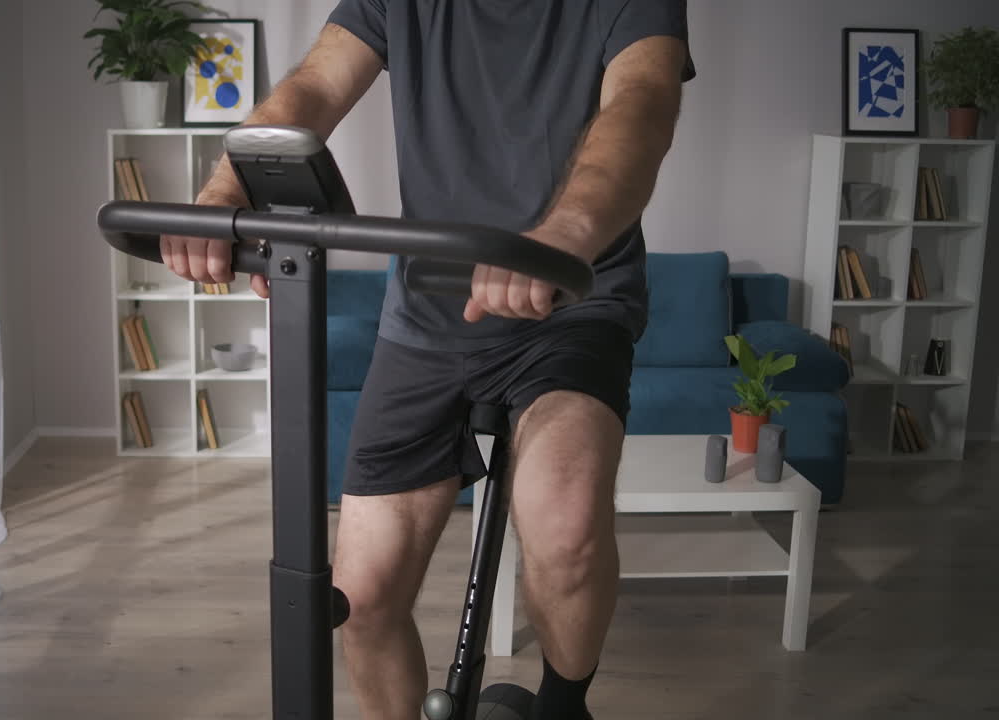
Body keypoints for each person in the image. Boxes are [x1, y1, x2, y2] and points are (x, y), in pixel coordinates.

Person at [161, 2, 696, 718]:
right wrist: (232, 184)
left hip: (569, 296)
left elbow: (644, 101)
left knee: (565, 525)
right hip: (429, 308)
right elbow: (315, 86)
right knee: (364, 593)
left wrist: (566, 232)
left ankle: (565, 705)